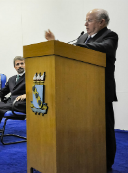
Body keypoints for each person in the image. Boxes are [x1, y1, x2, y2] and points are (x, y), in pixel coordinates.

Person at [45, 9, 118, 170]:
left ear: (102, 22)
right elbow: (71, 55)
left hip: (100, 90)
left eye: (89, 20)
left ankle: (107, 162)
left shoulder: (110, 36)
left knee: (104, 128)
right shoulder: (83, 37)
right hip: (79, 92)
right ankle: (86, 155)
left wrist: (79, 46)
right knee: (84, 128)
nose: (85, 24)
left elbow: (104, 47)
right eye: (86, 20)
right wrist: (55, 44)